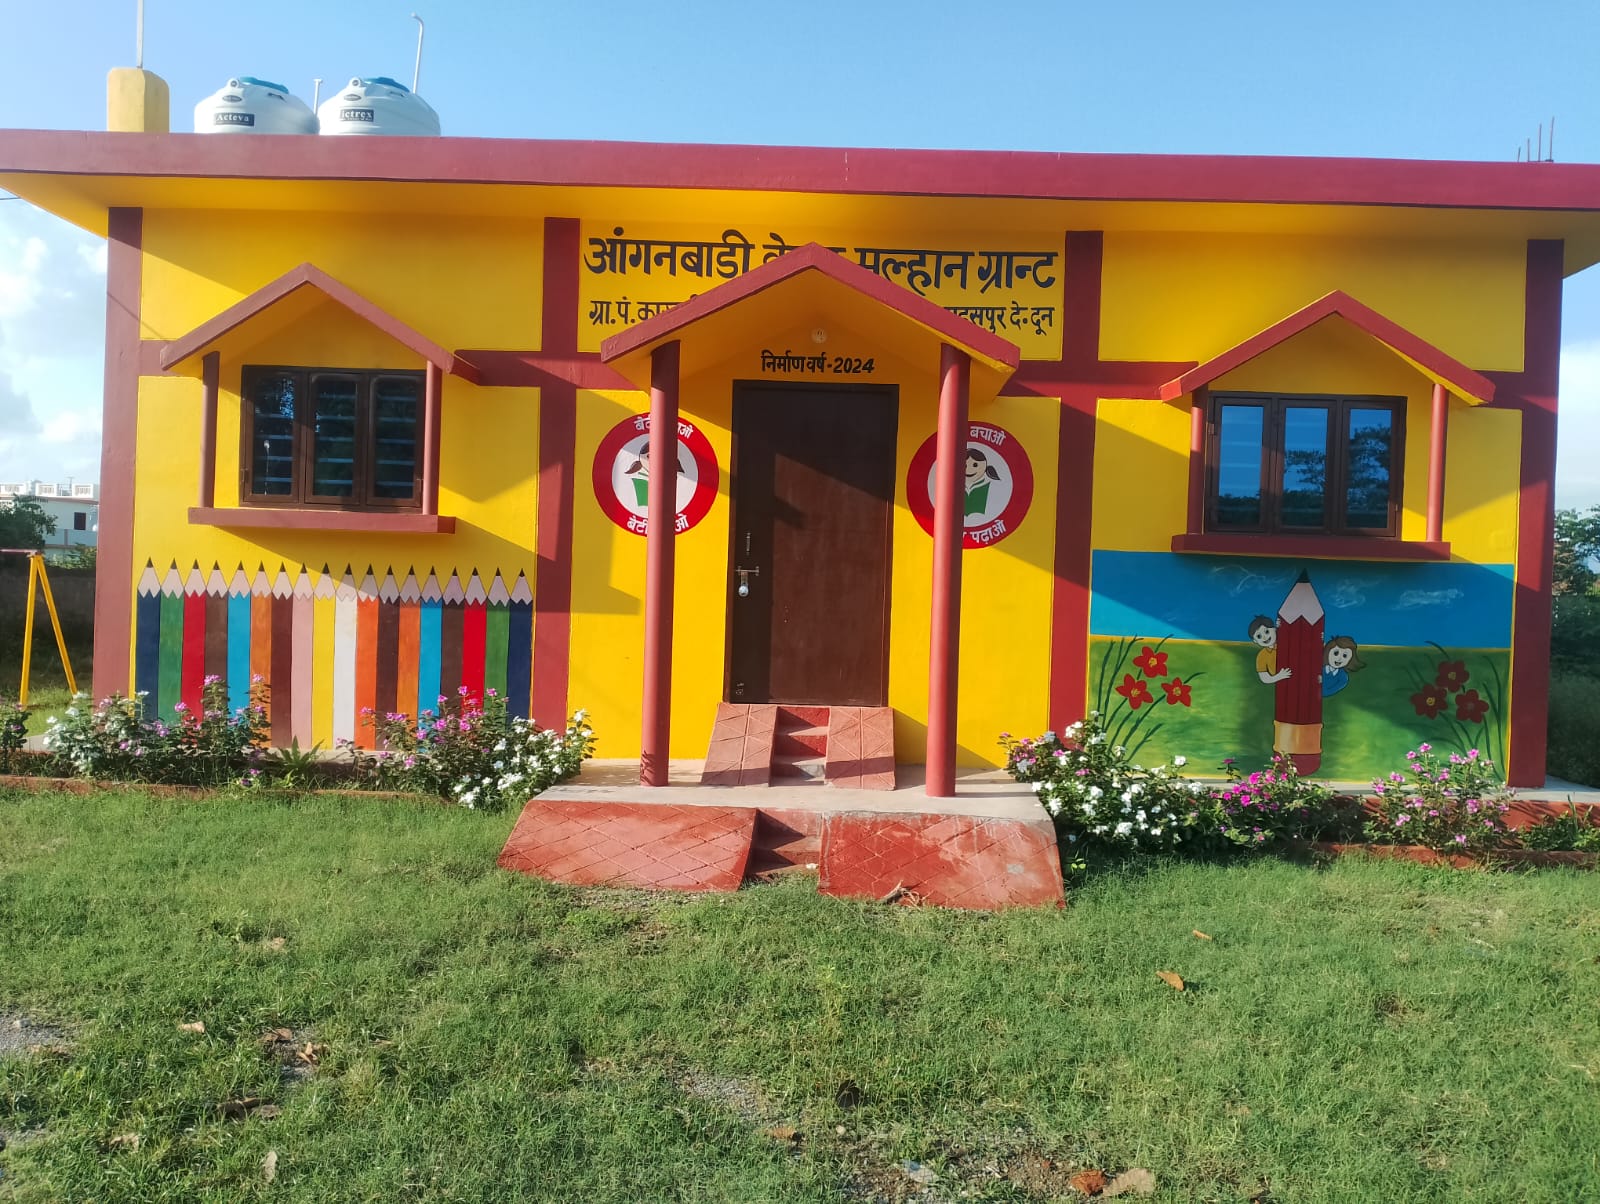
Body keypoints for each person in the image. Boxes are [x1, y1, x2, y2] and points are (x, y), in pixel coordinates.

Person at [1249, 614, 1292, 684]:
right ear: (1255, 641)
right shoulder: (1262, 655)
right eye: (1259, 636)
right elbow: (1264, 678)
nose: (1264, 637)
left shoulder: (1284, 643)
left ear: (1274, 629)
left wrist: (1283, 625)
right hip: (1281, 685)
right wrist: (1279, 676)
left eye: (1267, 632)